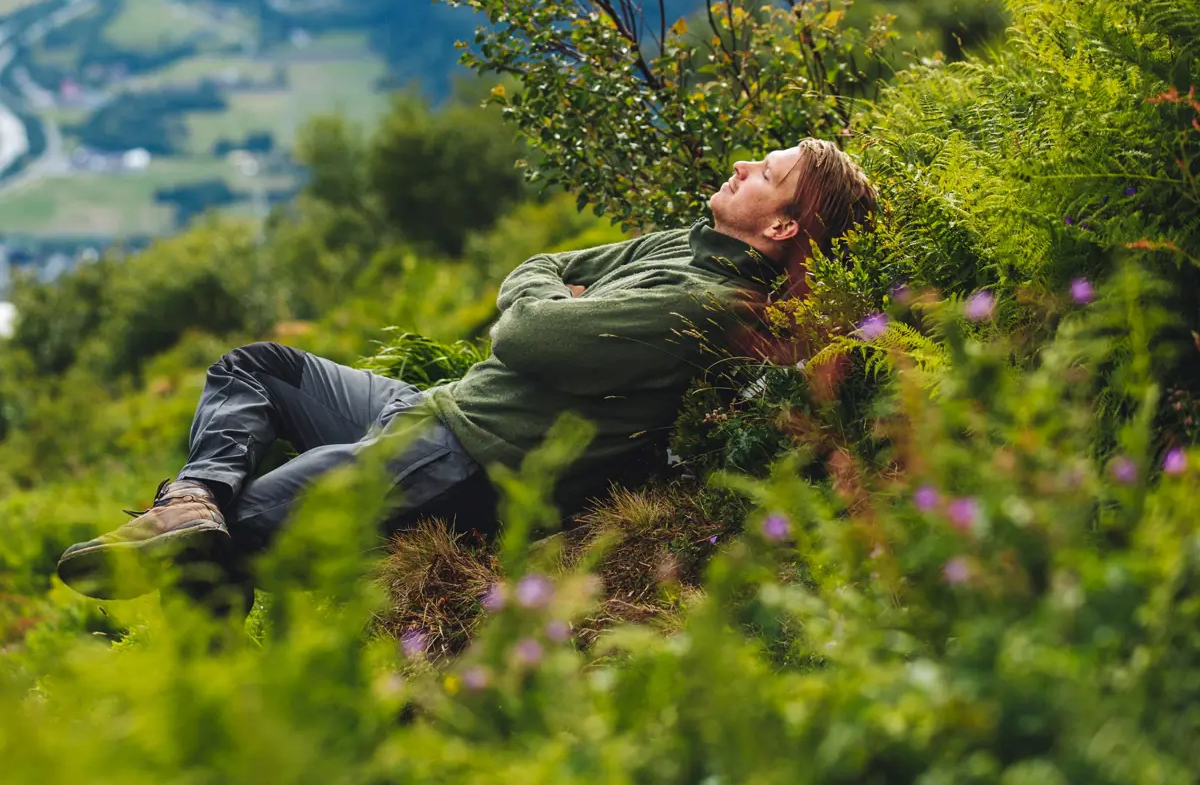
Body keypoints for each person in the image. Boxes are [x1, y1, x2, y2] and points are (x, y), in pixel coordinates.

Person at [55, 139, 876, 603]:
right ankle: (191, 497)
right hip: (435, 408)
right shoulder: (682, 246)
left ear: (780, 225)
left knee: (237, 538)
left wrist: (550, 294)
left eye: (765, 174)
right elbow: (551, 263)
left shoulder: (701, 302)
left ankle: (227, 720)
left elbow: (524, 330)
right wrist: (552, 287)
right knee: (256, 367)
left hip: (465, 457)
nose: (740, 166)